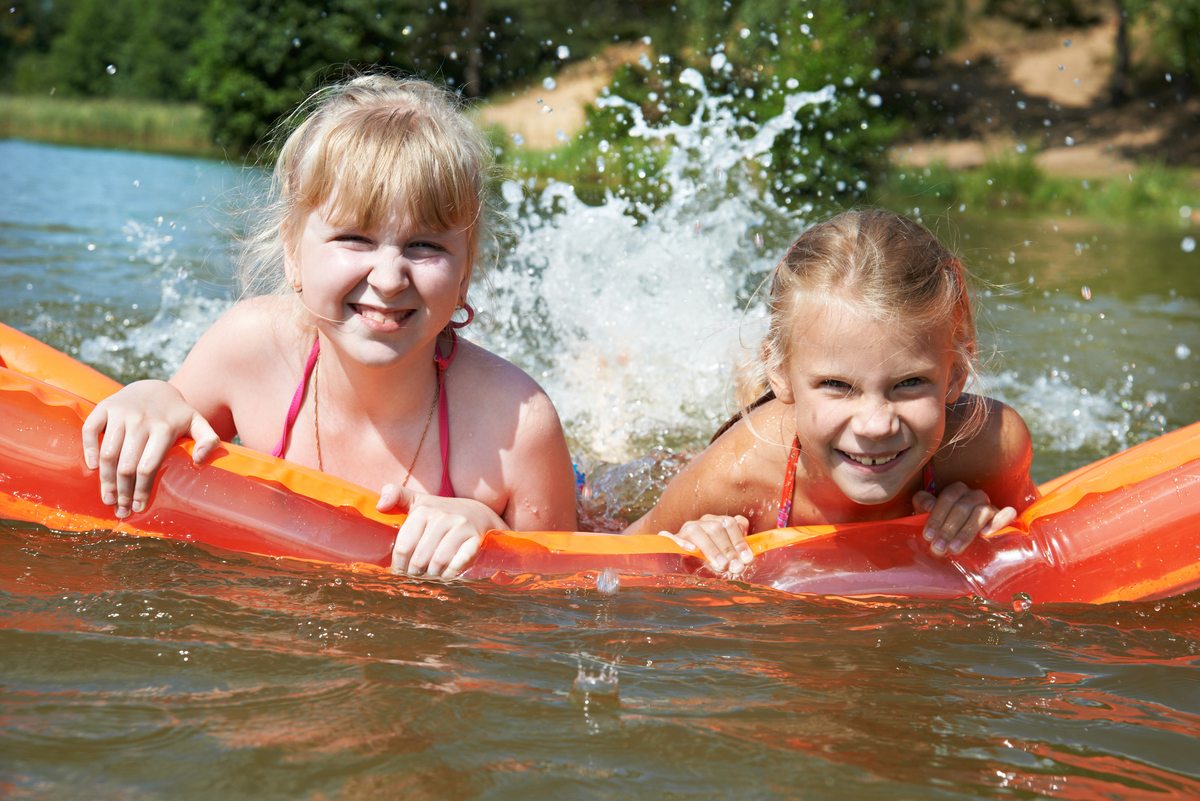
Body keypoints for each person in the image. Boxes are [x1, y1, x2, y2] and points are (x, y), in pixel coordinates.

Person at [81, 73, 578, 577]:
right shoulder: (247, 350)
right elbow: (166, 424)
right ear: (293, 253)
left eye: (425, 245)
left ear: (466, 269)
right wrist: (149, 395)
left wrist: (490, 530)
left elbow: (562, 596)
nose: (388, 279)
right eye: (355, 238)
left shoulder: (520, 428)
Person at [624, 209, 1039, 573]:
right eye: (837, 385)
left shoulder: (991, 448)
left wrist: (986, 513)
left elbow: (1039, 526)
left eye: (909, 383)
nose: (876, 425)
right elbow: (617, 553)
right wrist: (687, 543)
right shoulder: (733, 478)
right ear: (780, 372)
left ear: (955, 374)